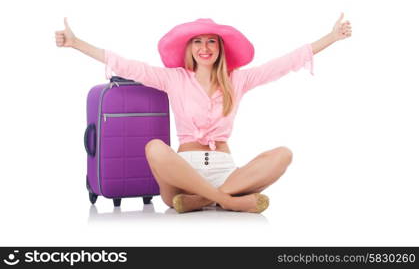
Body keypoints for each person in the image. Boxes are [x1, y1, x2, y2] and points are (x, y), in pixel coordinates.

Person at [55, 15, 352, 214]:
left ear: (220, 47)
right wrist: (76, 43)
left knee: (283, 154)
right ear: (190, 48)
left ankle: (205, 199)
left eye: (211, 41)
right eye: (197, 42)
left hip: (226, 171)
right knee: (154, 148)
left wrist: (332, 37)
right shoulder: (174, 78)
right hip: (182, 173)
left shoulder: (238, 80)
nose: (204, 48)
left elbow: (285, 63)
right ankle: (227, 201)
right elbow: (127, 65)